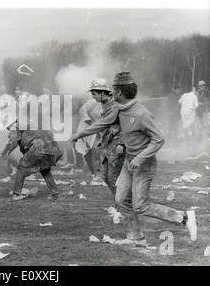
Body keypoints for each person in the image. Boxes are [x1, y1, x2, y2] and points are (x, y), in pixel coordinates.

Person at [70, 72, 197, 246]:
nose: (111, 93)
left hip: (143, 164)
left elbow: (159, 139)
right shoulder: (119, 110)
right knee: (121, 200)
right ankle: (137, 237)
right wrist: (79, 134)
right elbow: (101, 124)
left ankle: (183, 217)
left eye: (113, 90)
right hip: (129, 162)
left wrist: (141, 157)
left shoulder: (141, 114)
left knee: (141, 206)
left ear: (120, 93)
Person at [0, 119, 62, 201]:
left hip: (38, 148)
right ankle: (55, 194)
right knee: (45, 170)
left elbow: (13, 142)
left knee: (21, 168)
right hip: (52, 149)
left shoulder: (15, 126)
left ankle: (16, 194)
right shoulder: (31, 122)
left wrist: (4, 154)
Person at [85, 78, 125, 195]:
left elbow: (124, 124)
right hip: (108, 144)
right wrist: (100, 139)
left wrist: (122, 143)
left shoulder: (116, 104)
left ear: (102, 92)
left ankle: (123, 205)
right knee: (105, 177)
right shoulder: (103, 104)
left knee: (113, 178)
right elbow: (106, 124)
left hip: (118, 144)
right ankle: (121, 202)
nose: (93, 97)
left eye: (94, 94)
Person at [75, 97, 102, 182]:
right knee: (87, 152)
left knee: (96, 151)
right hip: (86, 128)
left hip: (98, 130)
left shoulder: (110, 104)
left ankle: (98, 173)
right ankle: (93, 173)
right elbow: (82, 109)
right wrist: (89, 121)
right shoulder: (94, 101)